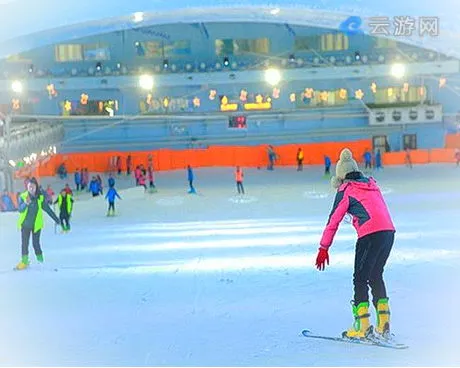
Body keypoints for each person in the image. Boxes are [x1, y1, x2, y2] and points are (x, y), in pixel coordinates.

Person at [315, 148, 395, 339]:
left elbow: (333, 220)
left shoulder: (346, 190)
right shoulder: (371, 185)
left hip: (370, 235)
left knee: (360, 278)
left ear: (341, 177)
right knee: (375, 275)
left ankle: (363, 325)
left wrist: (323, 248)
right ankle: (384, 324)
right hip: (388, 233)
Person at [15, 177, 60, 270]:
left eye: (33, 187)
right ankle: (24, 261)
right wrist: (26, 204)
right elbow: (20, 210)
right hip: (25, 224)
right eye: (29, 187)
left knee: (36, 243)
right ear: (27, 187)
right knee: (24, 244)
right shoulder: (23, 196)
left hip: (36, 225)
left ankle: (40, 260)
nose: (31, 188)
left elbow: (47, 209)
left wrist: (56, 219)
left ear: (36, 187)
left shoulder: (40, 198)